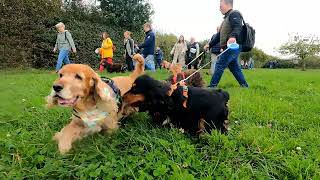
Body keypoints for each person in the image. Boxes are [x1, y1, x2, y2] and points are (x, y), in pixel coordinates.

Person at [208, 0, 249, 88]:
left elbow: (237, 27)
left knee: (219, 64)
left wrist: (233, 36)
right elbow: (219, 36)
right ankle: (245, 86)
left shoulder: (235, 14)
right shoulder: (226, 18)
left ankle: (212, 87)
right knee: (234, 67)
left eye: (220, 6)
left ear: (227, 4)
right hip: (229, 46)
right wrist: (209, 45)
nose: (219, 9)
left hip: (233, 46)